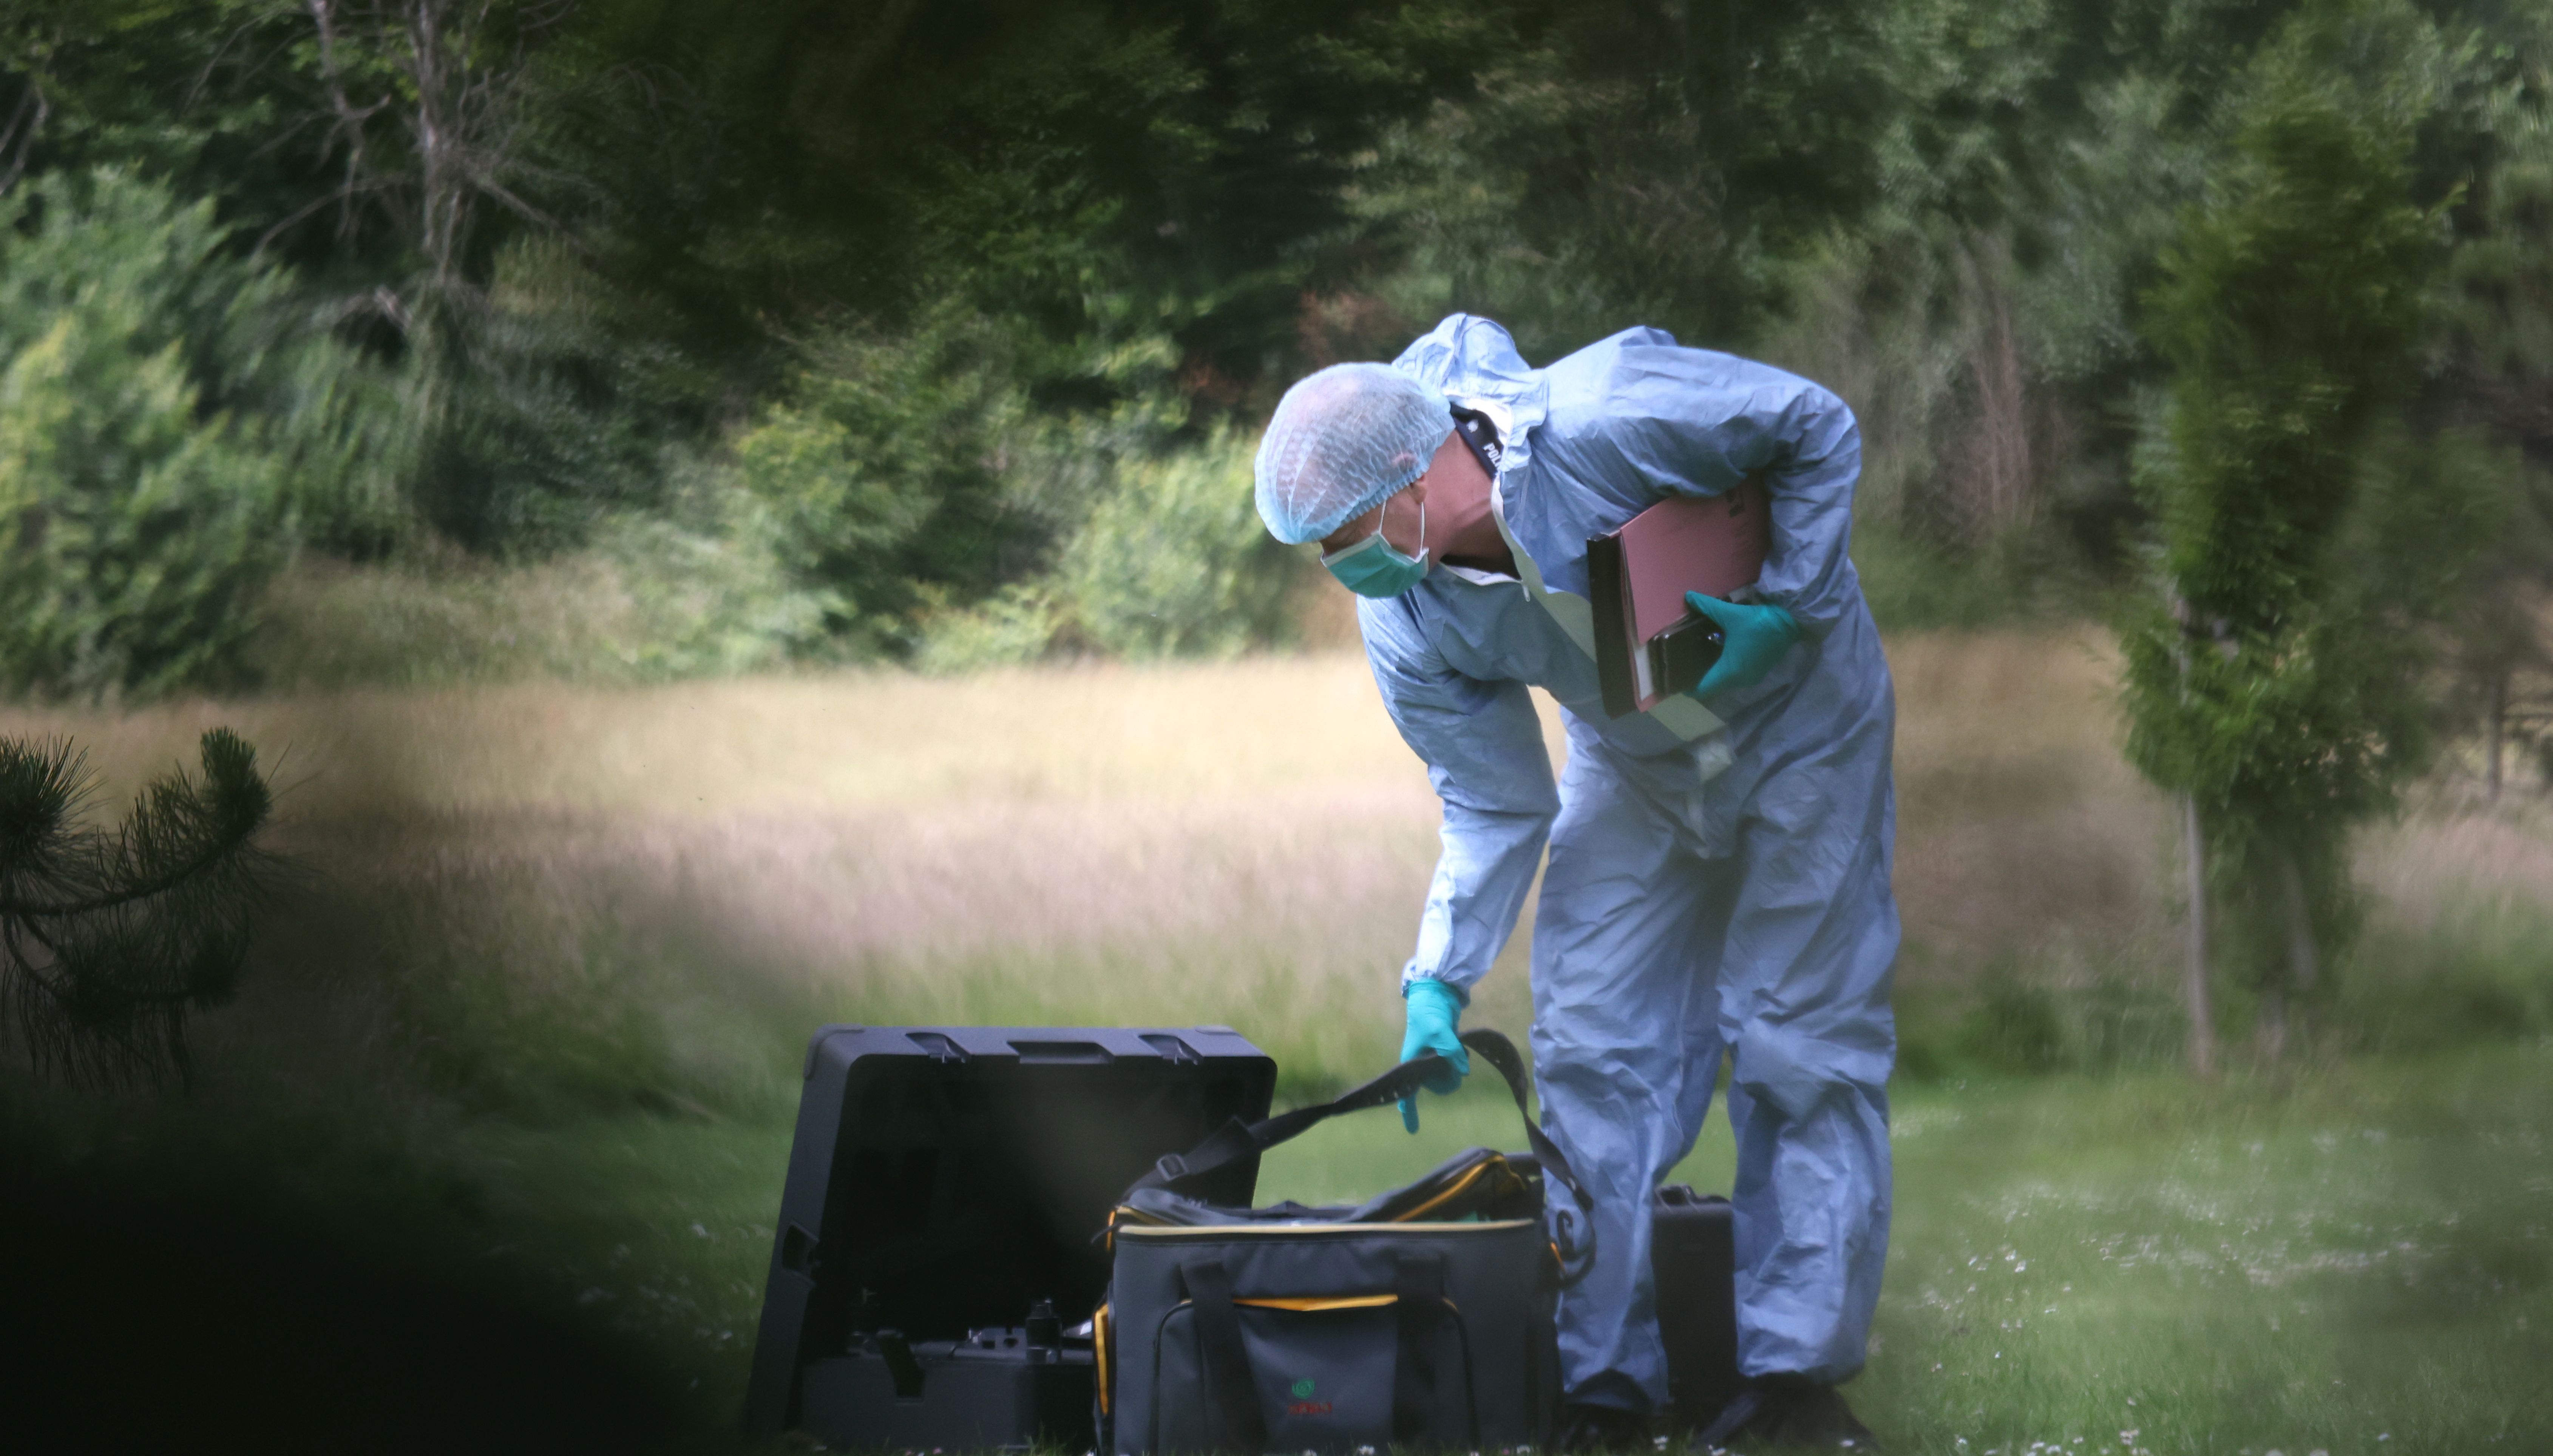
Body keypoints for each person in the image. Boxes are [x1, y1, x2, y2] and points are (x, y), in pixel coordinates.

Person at [1253, 315, 1899, 1450]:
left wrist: (1791, 610)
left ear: (1414, 472)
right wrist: (1438, 982)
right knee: (1595, 1055)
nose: (1336, 565)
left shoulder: (1608, 415)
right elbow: (1498, 799)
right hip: (1637, 764)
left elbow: (1816, 425)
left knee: (1798, 1044)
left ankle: (1797, 1388)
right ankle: (1605, 1392)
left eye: (1341, 535)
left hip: (1806, 736)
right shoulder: (1403, 616)